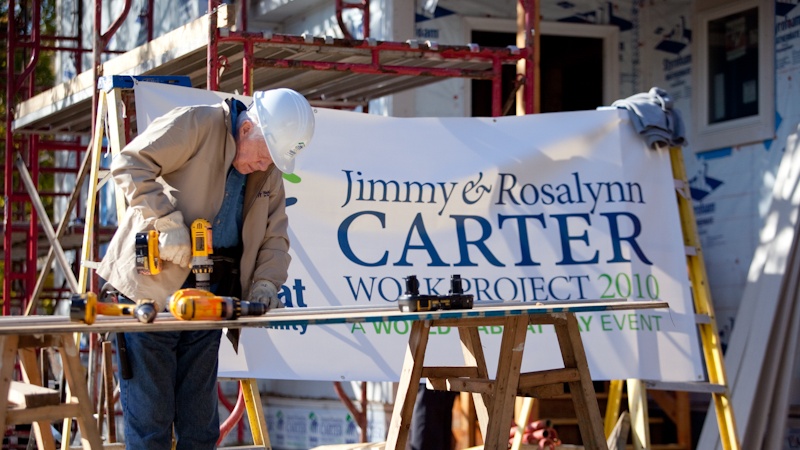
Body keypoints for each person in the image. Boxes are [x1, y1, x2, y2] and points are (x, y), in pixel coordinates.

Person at [96, 88, 315, 450]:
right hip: (151, 295)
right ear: (247, 130)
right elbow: (130, 164)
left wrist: (264, 287)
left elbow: (275, 239)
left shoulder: (267, 170)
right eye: (263, 156)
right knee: (151, 427)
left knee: (200, 430)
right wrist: (166, 223)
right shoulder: (198, 123)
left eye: (272, 161)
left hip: (208, 300)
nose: (264, 166)